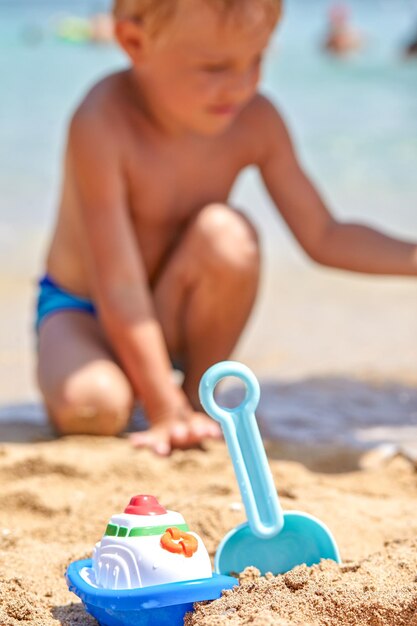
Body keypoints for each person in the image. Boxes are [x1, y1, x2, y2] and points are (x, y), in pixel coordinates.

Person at [36, 0, 417, 455]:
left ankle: (200, 398)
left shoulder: (255, 120)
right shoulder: (103, 122)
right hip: (86, 311)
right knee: (94, 408)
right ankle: (166, 402)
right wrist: (160, 410)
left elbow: (324, 236)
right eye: (214, 67)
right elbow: (118, 285)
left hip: (175, 304)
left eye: (256, 60)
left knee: (226, 234)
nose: (240, 85)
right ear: (134, 42)